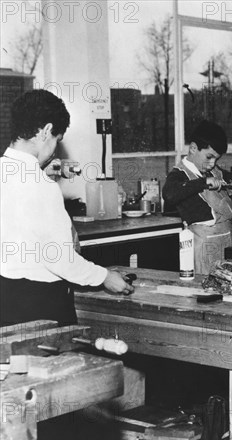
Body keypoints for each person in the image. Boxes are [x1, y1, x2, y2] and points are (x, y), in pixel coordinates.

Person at [0, 90, 133, 327]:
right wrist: (104, 277)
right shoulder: (40, 185)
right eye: (56, 140)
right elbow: (59, 259)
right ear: (45, 130)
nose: (53, 151)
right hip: (40, 304)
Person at [162, 121, 232, 276]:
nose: (212, 164)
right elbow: (169, 194)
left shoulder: (213, 170)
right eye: (209, 157)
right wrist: (202, 183)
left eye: (216, 159)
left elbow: (227, 176)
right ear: (193, 148)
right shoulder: (179, 174)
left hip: (226, 240)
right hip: (202, 245)